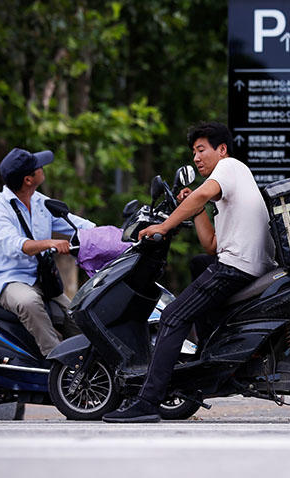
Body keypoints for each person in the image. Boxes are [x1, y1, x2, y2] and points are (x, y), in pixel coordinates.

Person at [103, 121, 276, 423]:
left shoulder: (229, 167)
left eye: (201, 150)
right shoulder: (229, 189)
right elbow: (210, 245)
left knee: (172, 316)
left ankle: (147, 401)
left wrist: (164, 224)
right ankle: (210, 354)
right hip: (247, 265)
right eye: (193, 152)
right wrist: (195, 209)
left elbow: (200, 196)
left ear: (221, 150)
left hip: (236, 268)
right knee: (198, 263)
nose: (195, 158)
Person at [0, 148, 95, 356]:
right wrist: (49, 243)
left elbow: (75, 224)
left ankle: (90, 363)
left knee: (77, 315)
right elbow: (17, 245)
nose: (42, 168)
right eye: (38, 167)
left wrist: (113, 235)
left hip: (41, 280)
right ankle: (56, 360)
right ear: (28, 179)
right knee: (28, 302)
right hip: (9, 281)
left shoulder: (38, 201)